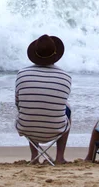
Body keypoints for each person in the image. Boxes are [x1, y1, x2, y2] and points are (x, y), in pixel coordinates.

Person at [15, 34, 72, 164]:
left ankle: (34, 156)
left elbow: (18, 103)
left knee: (30, 106)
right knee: (67, 108)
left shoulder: (22, 74)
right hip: (56, 128)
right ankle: (59, 157)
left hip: (26, 127)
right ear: (56, 54)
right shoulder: (66, 77)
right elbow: (60, 103)